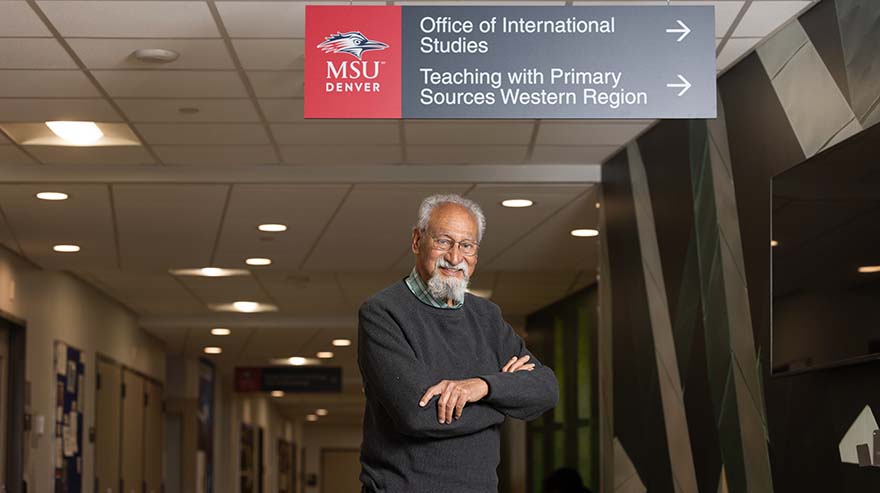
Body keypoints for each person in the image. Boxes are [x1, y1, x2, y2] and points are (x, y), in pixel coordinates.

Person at [357, 194, 559, 492]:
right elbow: (419, 414)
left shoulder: (486, 316)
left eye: (467, 245)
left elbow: (546, 388)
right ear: (417, 241)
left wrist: (482, 386)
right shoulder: (383, 312)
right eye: (443, 242)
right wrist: (505, 399)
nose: (454, 257)